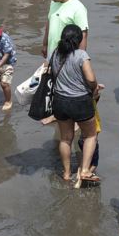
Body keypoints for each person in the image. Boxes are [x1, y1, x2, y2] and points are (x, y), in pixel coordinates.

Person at [49, 25, 100, 187]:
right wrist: (95, 88)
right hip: (80, 102)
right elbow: (91, 79)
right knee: (90, 135)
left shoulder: (55, 53)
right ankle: (84, 170)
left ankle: (66, 173)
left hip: (59, 101)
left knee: (65, 138)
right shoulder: (81, 55)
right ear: (79, 40)